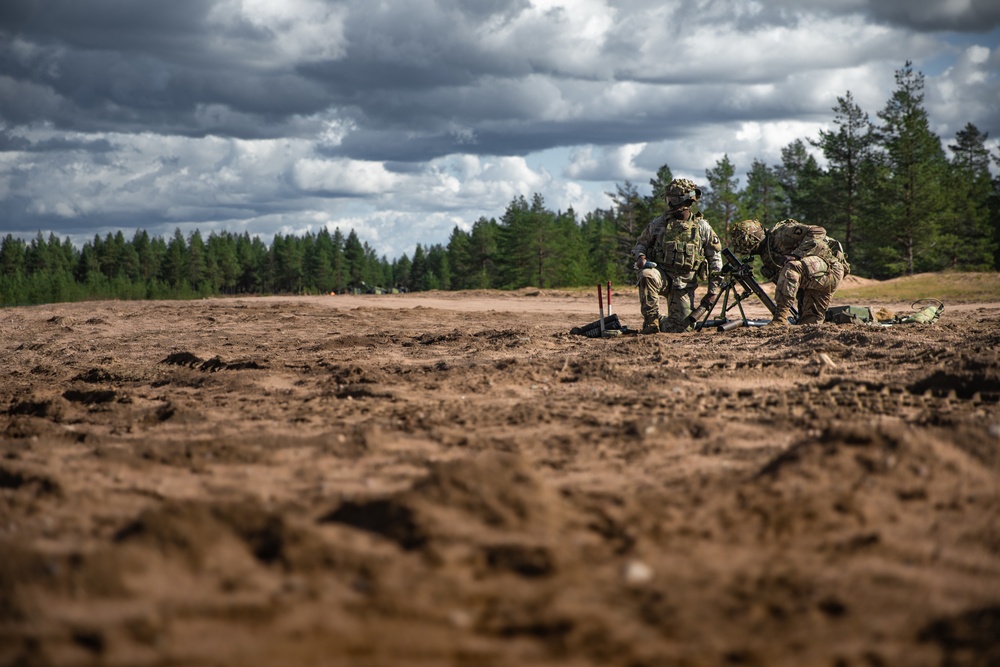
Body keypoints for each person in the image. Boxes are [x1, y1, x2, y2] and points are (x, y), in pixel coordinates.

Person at [632, 178, 723, 333]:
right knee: (647, 275)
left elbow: (715, 260)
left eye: (673, 200)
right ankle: (651, 322)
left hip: (685, 284)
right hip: (662, 277)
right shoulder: (659, 224)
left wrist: (712, 292)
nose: (670, 204)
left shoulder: (702, 227)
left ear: (687, 201)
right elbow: (641, 244)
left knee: (682, 328)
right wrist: (641, 257)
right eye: (668, 199)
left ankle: (663, 321)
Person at [730, 218, 849, 327]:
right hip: (814, 280)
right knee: (807, 325)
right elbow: (790, 283)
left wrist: (796, 255)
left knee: (792, 266)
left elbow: (818, 230)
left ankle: (780, 318)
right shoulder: (766, 255)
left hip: (830, 269)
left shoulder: (781, 233)